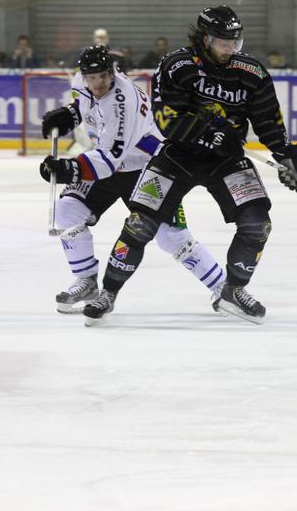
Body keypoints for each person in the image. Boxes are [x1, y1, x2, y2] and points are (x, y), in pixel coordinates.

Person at [81, 5, 297, 325]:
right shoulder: (176, 65)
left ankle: (233, 290)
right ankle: (108, 292)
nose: (230, 49)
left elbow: (268, 118)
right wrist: (209, 135)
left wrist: (286, 154)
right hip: (178, 156)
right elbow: (166, 119)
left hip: (226, 159)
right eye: (223, 42)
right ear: (205, 38)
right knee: (140, 223)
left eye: (235, 42)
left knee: (258, 224)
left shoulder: (251, 72)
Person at [39, 45, 225, 322]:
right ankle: (87, 280)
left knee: (171, 236)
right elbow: (85, 105)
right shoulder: (83, 81)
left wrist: (70, 169)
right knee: (67, 209)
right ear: (84, 75)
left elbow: (108, 160)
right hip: (110, 165)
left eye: (103, 76)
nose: (98, 83)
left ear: (113, 72)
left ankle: (223, 287)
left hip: (147, 168)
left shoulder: (122, 102)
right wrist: (71, 114)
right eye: (92, 77)